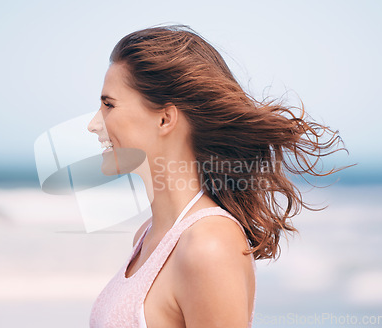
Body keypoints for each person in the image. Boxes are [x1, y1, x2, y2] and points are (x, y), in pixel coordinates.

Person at [87, 24, 346, 328]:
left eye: (109, 105)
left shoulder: (208, 246)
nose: (93, 124)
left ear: (164, 118)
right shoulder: (148, 235)